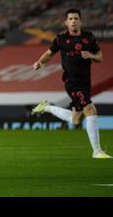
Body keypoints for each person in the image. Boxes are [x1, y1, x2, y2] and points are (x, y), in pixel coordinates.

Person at [31, 8, 111, 159]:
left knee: (76, 120)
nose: (73, 21)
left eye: (76, 18)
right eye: (71, 19)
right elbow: (49, 53)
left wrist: (91, 55)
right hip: (72, 82)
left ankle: (47, 107)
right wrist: (40, 63)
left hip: (85, 82)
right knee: (91, 110)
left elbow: (100, 57)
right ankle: (97, 151)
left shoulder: (89, 37)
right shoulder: (61, 38)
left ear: (80, 21)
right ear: (66, 22)